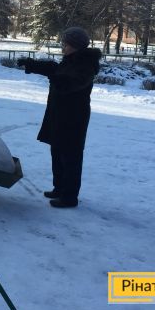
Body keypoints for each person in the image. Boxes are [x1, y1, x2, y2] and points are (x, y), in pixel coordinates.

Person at [17, 27, 101, 208]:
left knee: (70, 156)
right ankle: (59, 188)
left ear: (75, 46)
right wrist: (31, 64)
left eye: (66, 43)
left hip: (74, 118)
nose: (63, 46)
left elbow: (71, 83)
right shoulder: (70, 61)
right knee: (57, 151)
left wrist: (56, 79)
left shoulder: (86, 65)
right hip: (59, 115)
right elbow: (53, 68)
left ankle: (69, 197)